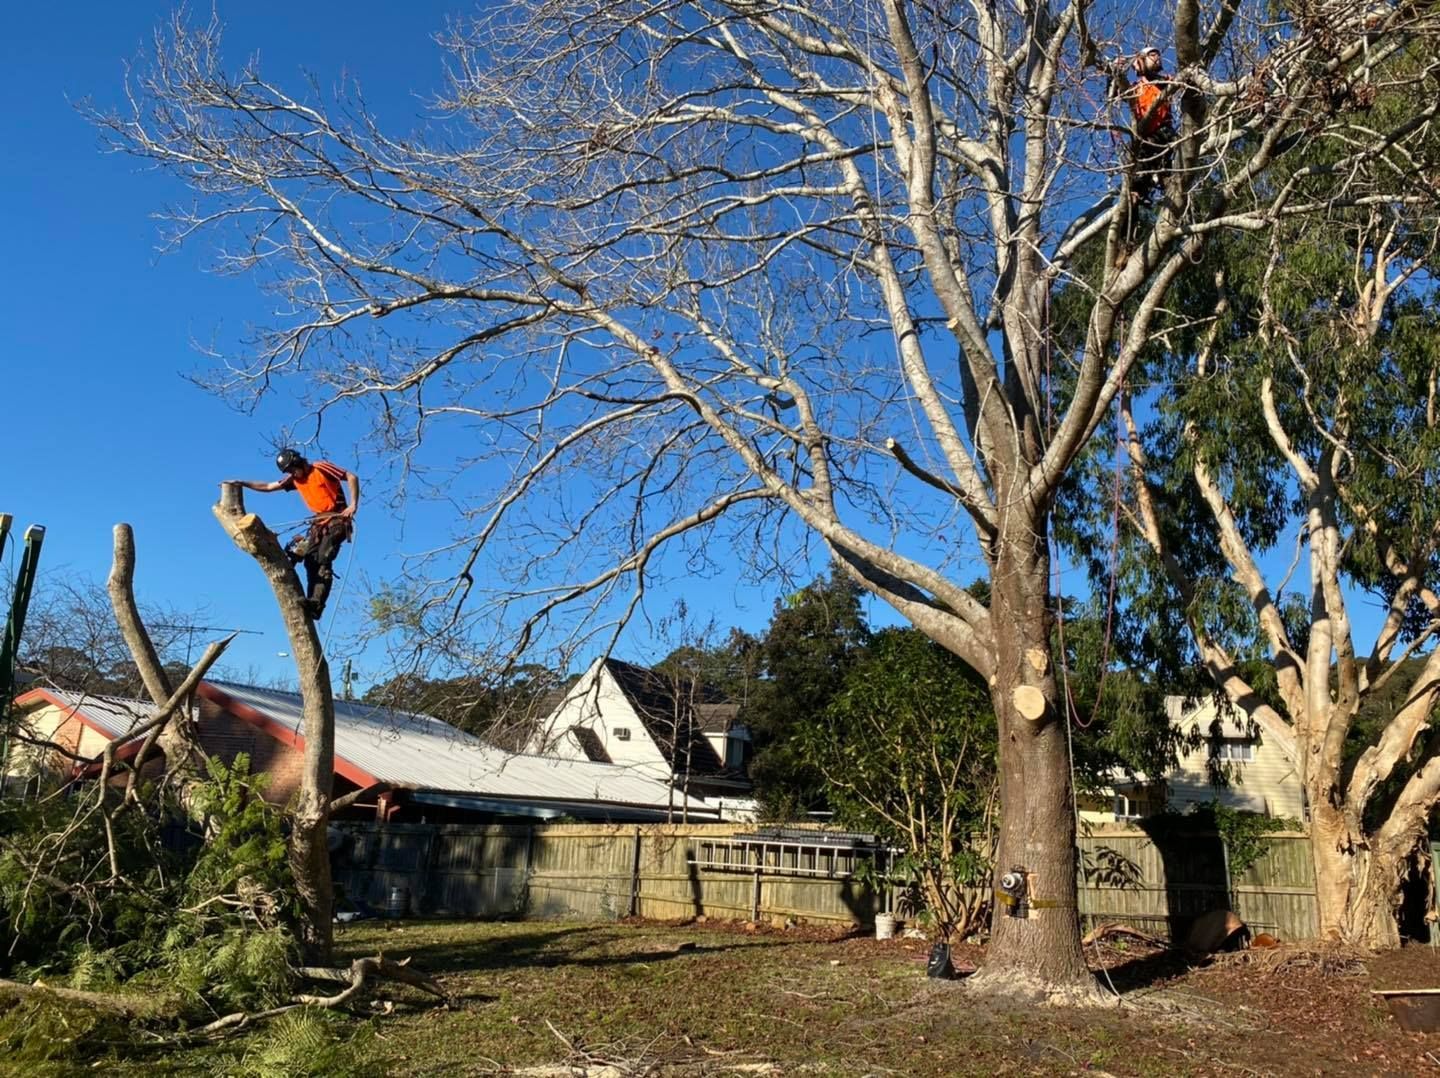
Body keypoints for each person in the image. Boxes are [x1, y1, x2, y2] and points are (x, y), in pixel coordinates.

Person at [228, 449, 360, 619]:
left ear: (299, 462)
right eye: (288, 472)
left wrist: (353, 505)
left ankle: (317, 603)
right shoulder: (295, 480)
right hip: (318, 524)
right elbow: (269, 486)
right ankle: (312, 603)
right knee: (310, 561)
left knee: (322, 558)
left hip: (337, 520)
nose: (292, 473)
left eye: (292, 469)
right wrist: (242, 483)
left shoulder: (320, 468)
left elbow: (351, 477)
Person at [1113, 47, 1175, 199]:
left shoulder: (1164, 82)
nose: (1157, 58)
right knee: (1138, 165)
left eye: (1158, 55)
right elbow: (1114, 93)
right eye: (1152, 55)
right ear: (1140, 61)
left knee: (1168, 173)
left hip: (1164, 134)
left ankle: (1164, 180)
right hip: (1144, 137)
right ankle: (1136, 196)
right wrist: (1115, 72)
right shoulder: (1135, 87)